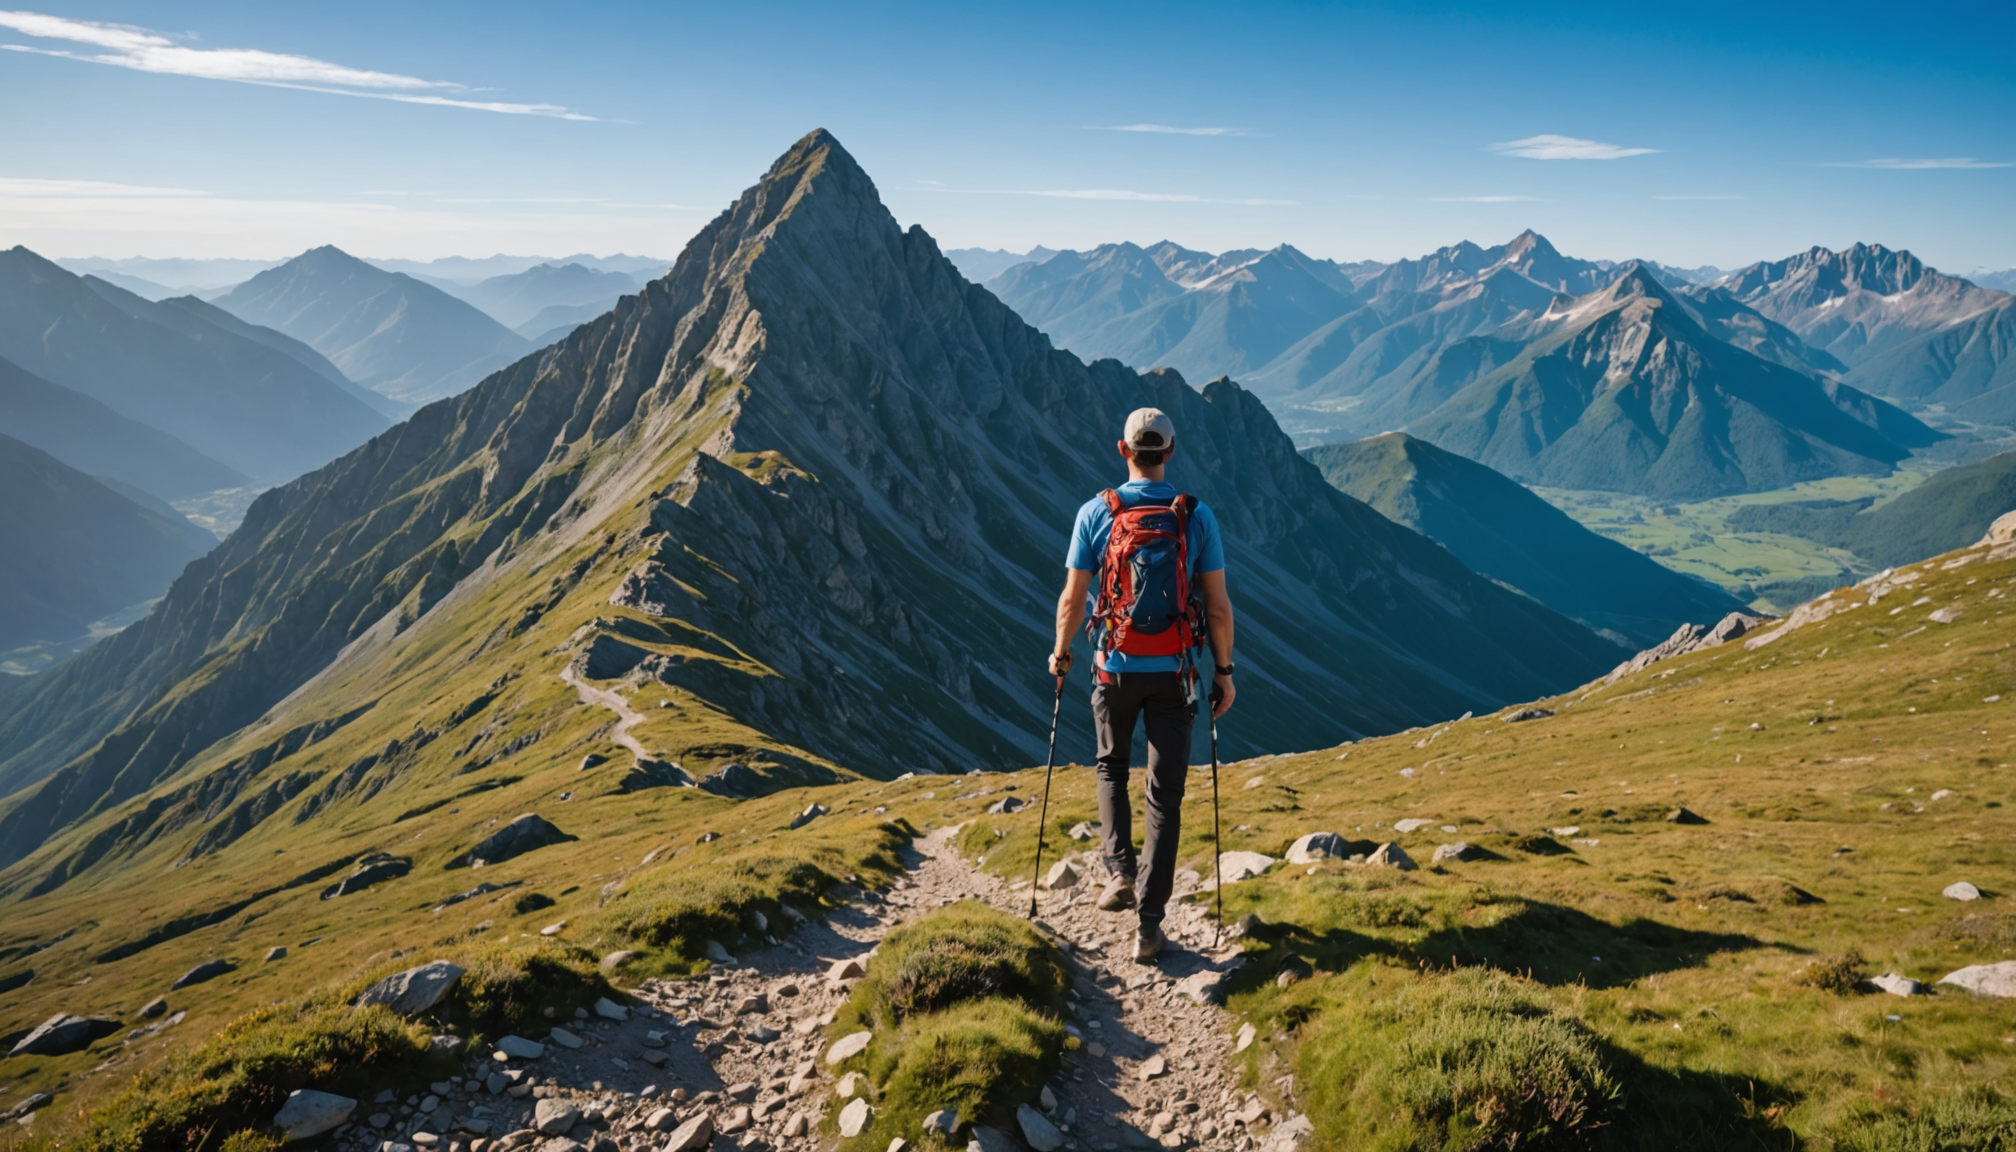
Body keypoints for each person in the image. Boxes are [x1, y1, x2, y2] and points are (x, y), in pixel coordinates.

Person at [1049, 407, 1236, 962]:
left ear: (1123, 449)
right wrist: (1223, 672)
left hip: (1113, 668)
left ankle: (1119, 873)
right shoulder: (1194, 516)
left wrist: (1061, 652)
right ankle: (1149, 928)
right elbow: (1218, 607)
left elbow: (1072, 599)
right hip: (1174, 673)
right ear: (1170, 452)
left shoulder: (1096, 512)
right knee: (1164, 796)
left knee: (1111, 766)